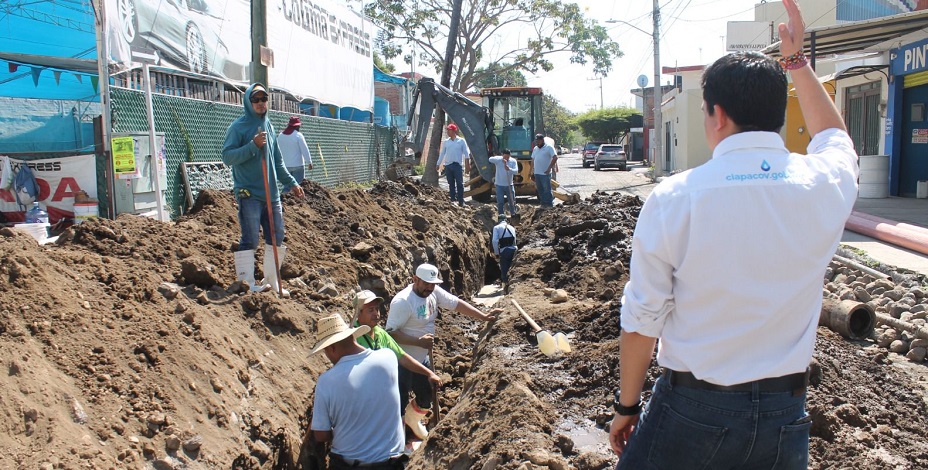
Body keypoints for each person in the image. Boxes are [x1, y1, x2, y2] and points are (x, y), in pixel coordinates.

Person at [608, 2, 858, 469]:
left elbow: (642, 321)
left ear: (716, 114)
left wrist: (626, 407)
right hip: (786, 414)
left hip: (693, 411)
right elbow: (836, 139)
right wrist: (796, 62)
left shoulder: (676, 197)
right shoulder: (823, 184)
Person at [385, 263, 500, 440]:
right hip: (402, 362)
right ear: (415, 279)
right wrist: (418, 341)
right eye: (426, 284)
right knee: (398, 403)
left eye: (433, 284)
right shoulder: (403, 302)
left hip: (422, 359)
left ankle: (412, 420)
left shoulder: (434, 292)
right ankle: (398, 444)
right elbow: (390, 334)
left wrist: (483, 317)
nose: (430, 288)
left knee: (426, 397)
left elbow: (456, 304)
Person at [222, 84, 304, 297]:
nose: (260, 103)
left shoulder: (269, 126)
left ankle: (272, 280)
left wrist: (292, 183)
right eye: (255, 99)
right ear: (249, 103)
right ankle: (246, 283)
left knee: (276, 235)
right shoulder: (238, 128)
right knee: (250, 238)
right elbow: (228, 157)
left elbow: (277, 162)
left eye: (263, 98)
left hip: (272, 194)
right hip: (249, 193)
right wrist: (252, 146)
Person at [309, 314, 407, 469]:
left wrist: (345, 431)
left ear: (331, 348)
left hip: (349, 465)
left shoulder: (326, 381)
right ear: (352, 337)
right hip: (391, 463)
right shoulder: (388, 357)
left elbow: (321, 435)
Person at [351, 290, 442, 388]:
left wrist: (429, 373)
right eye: (370, 310)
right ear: (358, 314)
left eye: (377, 309)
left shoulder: (380, 333)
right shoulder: (352, 338)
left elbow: (402, 357)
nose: (376, 313)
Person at [435, 123, 470, 207]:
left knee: (459, 184)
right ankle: (453, 200)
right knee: (451, 184)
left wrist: (467, 166)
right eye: (447, 130)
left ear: (454, 131)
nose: (448, 132)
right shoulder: (446, 142)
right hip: (448, 166)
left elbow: (466, 154)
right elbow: (442, 153)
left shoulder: (461, 141)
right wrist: (438, 163)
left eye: (449, 130)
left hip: (457, 165)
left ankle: (461, 201)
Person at [277, 115, 313, 187]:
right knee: (299, 186)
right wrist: (309, 162)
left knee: (288, 187)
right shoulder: (298, 135)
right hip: (298, 166)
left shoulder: (280, 136)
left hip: (285, 166)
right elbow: (304, 149)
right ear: (296, 126)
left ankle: (284, 197)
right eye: (299, 126)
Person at [491, 214, 517, 294]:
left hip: (504, 250)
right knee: (512, 268)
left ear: (498, 220)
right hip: (514, 249)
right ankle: (511, 286)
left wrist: (496, 253)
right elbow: (515, 240)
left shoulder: (496, 228)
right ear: (506, 220)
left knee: (504, 269)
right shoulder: (512, 227)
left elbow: (495, 241)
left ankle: (505, 289)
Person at [488, 149, 518, 217]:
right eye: (505, 157)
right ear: (502, 155)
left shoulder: (513, 161)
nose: (506, 158)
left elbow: (516, 171)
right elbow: (490, 159)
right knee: (500, 202)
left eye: (508, 157)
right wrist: (500, 159)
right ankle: (501, 215)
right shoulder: (498, 160)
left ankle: (513, 214)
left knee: (512, 201)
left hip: (509, 185)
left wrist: (509, 169)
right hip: (499, 185)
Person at [530, 133, 557, 208]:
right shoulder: (535, 148)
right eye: (536, 141)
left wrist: (549, 168)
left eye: (539, 140)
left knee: (547, 190)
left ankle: (549, 204)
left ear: (542, 140)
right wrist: (531, 171)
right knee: (540, 190)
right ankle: (543, 204)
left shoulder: (549, 147)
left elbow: (555, 157)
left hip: (545, 173)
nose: (537, 142)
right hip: (537, 173)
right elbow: (533, 160)